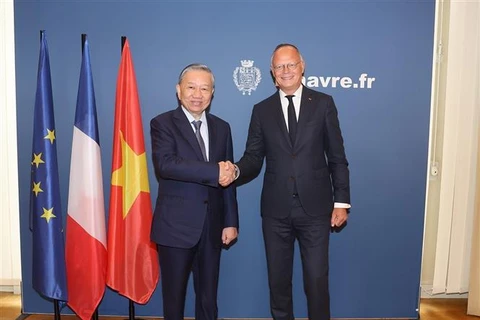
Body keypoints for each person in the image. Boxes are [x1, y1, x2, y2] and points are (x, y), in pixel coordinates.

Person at [231, 44, 350, 320]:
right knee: (278, 283)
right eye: (279, 66)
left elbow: (337, 157)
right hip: (276, 212)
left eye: (291, 65)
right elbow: (252, 158)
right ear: (272, 72)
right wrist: (234, 171)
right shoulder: (261, 110)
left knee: (317, 281)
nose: (286, 71)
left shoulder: (323, 104)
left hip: (316, 209)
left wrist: (341, 201)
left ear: (302, 66)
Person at [150, 63, 238, 320]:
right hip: (175, 228)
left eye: (204, 88)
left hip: (212, 227)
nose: (197, 94)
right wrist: (214, 171)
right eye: (191, 87)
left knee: (209, 300)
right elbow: (166, 165)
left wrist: (230, 221)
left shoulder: (222, 127)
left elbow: (228, 178)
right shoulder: (163, 123)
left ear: (212, 93)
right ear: (179, 90)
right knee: (174, 301)